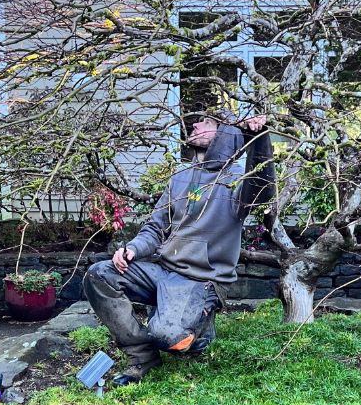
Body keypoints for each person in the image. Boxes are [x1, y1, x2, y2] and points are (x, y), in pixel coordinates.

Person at [83, 110, 275, 385]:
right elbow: (156, 226)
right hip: (163, 271)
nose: (195, 124)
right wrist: (133, 249)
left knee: (167, 336)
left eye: (207, 123)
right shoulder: (181, 178)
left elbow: (263, 189)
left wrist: (259, 137)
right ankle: (141, 354)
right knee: (99, 274)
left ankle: (200, 330)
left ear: (226, 134)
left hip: (202, 280)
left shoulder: (237, 181)